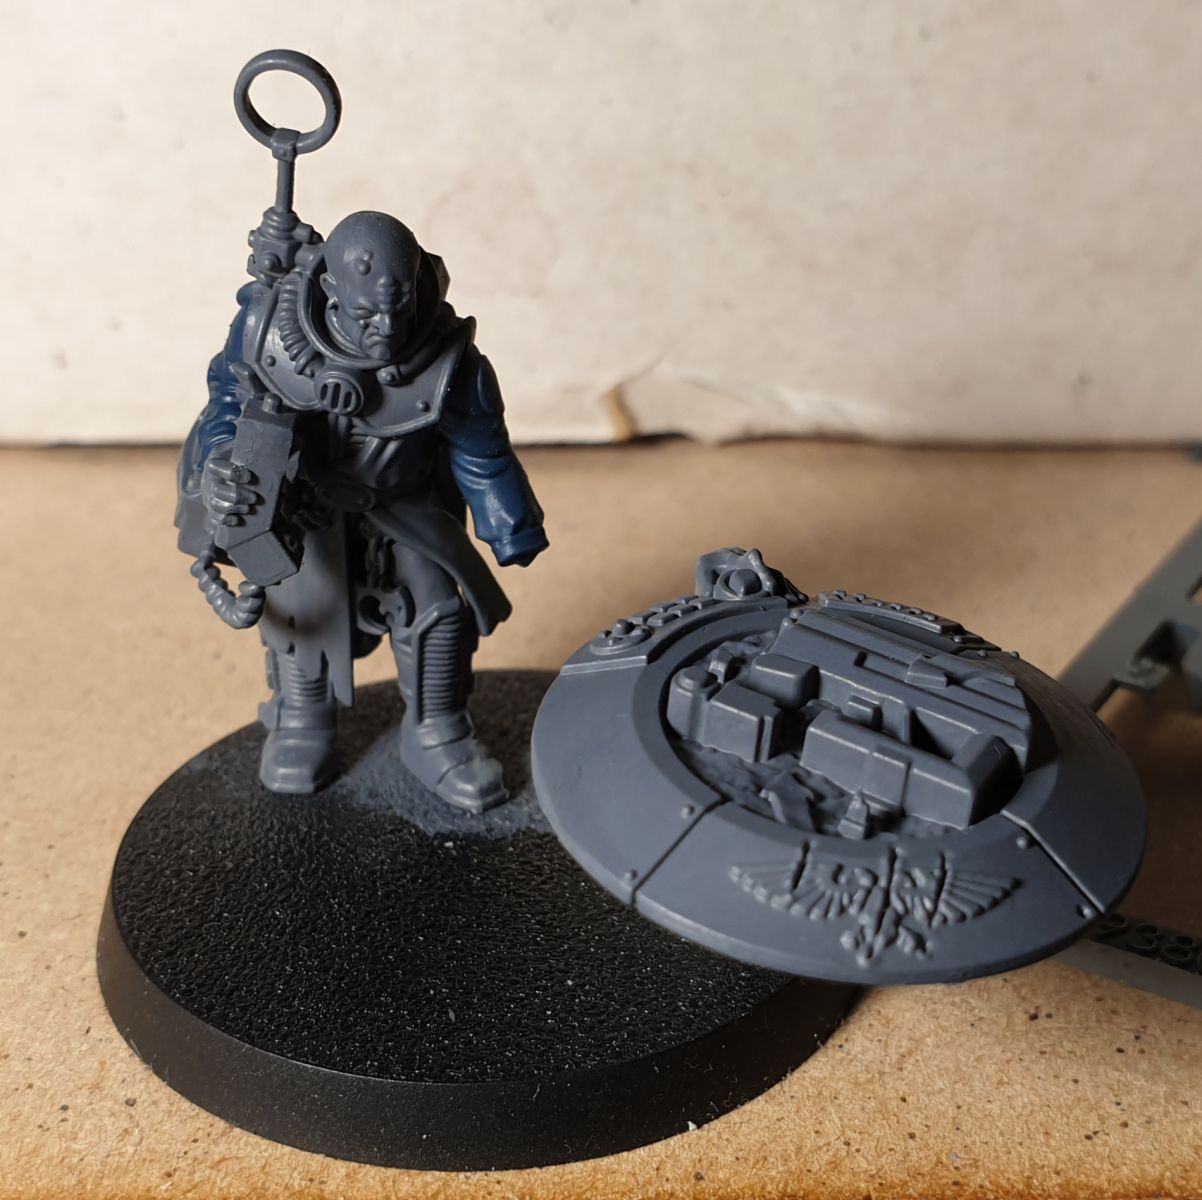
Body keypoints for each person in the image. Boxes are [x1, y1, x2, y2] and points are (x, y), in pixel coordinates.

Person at [176, 210, 547, 811]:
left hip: (405, 509)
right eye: (368, 314)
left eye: (399, 309)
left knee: (436, 610)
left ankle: (437, 730)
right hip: (304, 506)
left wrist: (511, 526)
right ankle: (302, 718)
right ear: (330, 290)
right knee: (298, 609)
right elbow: (226, 399)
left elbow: (481, 447)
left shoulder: (446, 358)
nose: (387, 328)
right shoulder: (267, 329)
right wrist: (221, 460)